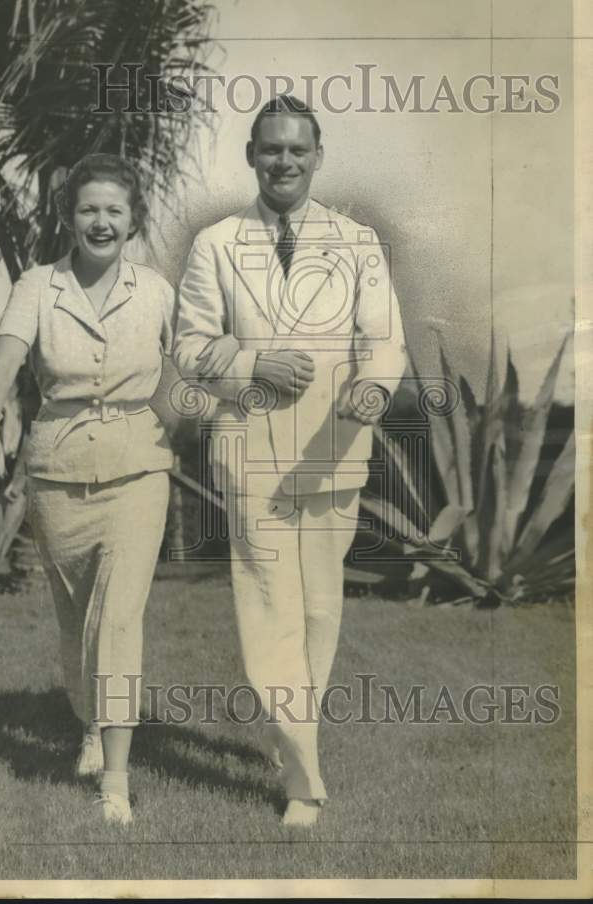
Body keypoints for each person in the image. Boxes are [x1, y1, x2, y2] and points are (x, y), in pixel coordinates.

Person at [173, 96, 407, 826]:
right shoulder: (214, 244)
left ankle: (290, 734)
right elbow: (186, 348)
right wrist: (252, 363)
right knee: (268, 608)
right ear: (251, 155)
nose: (283, 161)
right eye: (270, 149)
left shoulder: (356, 241)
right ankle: (303, 785)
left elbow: (384, 338)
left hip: (333, 450)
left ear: (316, 157)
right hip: (250, 452)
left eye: (297, 150)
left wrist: (371, 388)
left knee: (317, 612)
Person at [0, 154, 181, 824]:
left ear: (132, 219)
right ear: (68, 217)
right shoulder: (38, 285)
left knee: (117, 618)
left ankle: (114, 781)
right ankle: (90, 722)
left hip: (138, 470)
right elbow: (4, 358)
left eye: (114, 210)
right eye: (88, 208)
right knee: (75, 620)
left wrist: (175, 427)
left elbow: (188, 365)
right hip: (56, 467)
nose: (101, 221)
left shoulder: (155, 291)